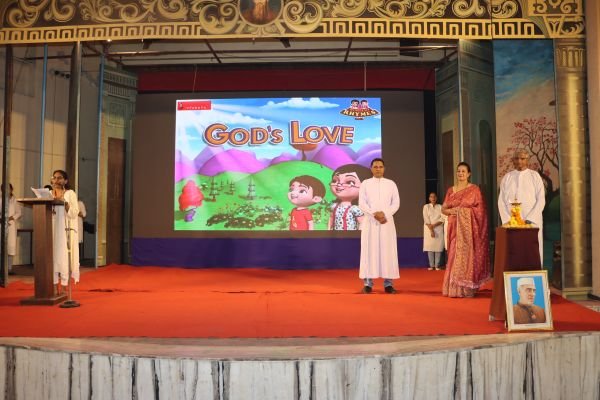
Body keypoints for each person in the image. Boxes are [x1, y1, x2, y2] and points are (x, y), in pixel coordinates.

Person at [441, 162, 490, 298]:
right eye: (458, 171)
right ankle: (453, 288)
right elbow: (443, 209)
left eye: (463, 171)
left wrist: (462, 212)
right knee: (453, 254)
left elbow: (480, 210)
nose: (460, 173)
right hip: (454, 227)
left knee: (468, 256)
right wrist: (451, 211)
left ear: (469, 174)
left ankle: (466, 289)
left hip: (468, 230)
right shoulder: (451, 190)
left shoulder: (474, 190)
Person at [358, 158, 400, 294]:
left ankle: (388, 284)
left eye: (380, 167)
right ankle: (367, 284)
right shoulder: (365, 183)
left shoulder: (391, 184)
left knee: (388, 252)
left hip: (386, 222)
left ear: (384, 168)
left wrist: (384, 214)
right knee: (369, 251)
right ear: (371, 168)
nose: (378, 169)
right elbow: (362, 203)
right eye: (375, 167)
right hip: (370, 222)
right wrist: (374, 214)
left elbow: (396, 203)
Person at [498, 149, 546, 265]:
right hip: (512, 223)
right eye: (517, 158)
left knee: (532, 251)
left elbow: (541, 199)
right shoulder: (507, 177)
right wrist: (509, 220)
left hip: (531, 222)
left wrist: (530, 219)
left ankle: (534, 274)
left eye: (522, 158)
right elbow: (501, 201)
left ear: (527, 160)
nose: (519, 161)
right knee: (513, 251)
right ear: (513, 160)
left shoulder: (535, 176)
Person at [51, 170, 80, 294]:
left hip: (65, 231)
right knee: (53, 258)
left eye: (60, 178)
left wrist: (65, 202)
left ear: (66, 181)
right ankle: (53, 286)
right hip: (52, 230)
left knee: (64, 258)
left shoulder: (70, 193)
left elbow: (74, 212)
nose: (56, 180)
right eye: (54, 177)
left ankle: (63, 286)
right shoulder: (49, 194)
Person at [328, 164, 371, 230]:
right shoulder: (334, 206)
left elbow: (362, 223)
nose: (339, 184)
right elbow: (331, 218)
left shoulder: (355, 209)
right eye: (334, 181)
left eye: (349, 182)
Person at [1, 183, 22, 275]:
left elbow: (19, 212)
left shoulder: (15, 200)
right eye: (4, 189)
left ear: (11, 189)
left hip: (11, 225)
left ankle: (9, 269)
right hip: (1, 224)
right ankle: (1, 268)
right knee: (2, 247)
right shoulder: (0, 199)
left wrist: (11, 218)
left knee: (10, 247)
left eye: (8, 188)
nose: (6, 190)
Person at [422, 192, 444, 270]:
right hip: (428, 229)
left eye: (434, 197)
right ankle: (431, 265)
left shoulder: (440, 207)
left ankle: (437, 265)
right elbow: (426, 218)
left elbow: (442, 218)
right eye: (431, 197)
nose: (433, 198)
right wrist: (431, 230)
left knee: (438, 247)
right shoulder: (426, 207)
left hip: (438, 228)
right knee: (430, 247)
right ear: (429, 198)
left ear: (436, 198)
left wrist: (434, 225)